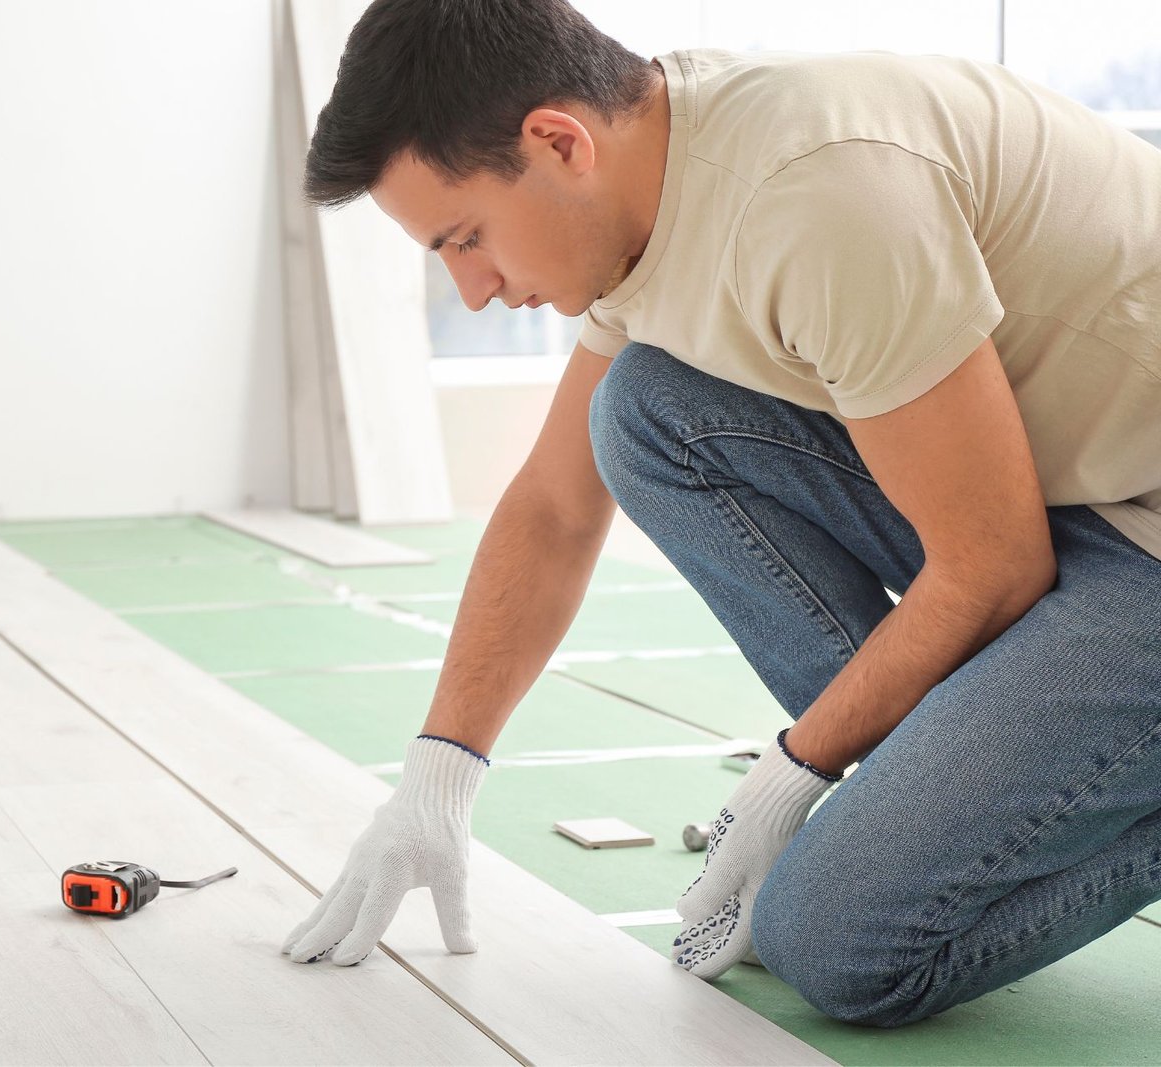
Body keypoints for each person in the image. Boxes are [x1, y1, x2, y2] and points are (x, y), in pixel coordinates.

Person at [279, 0, 1161, 1029]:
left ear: (558, 142)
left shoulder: (813, 196)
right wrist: (438, 774)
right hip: (1069, 500)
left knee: (836, 942)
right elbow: (557, 505)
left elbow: (991, 563)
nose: (470, 289)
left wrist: (789, 776)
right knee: (647, 408)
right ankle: (958, 780)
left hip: (1128, 533)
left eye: (466, 237)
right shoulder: (648, 181)